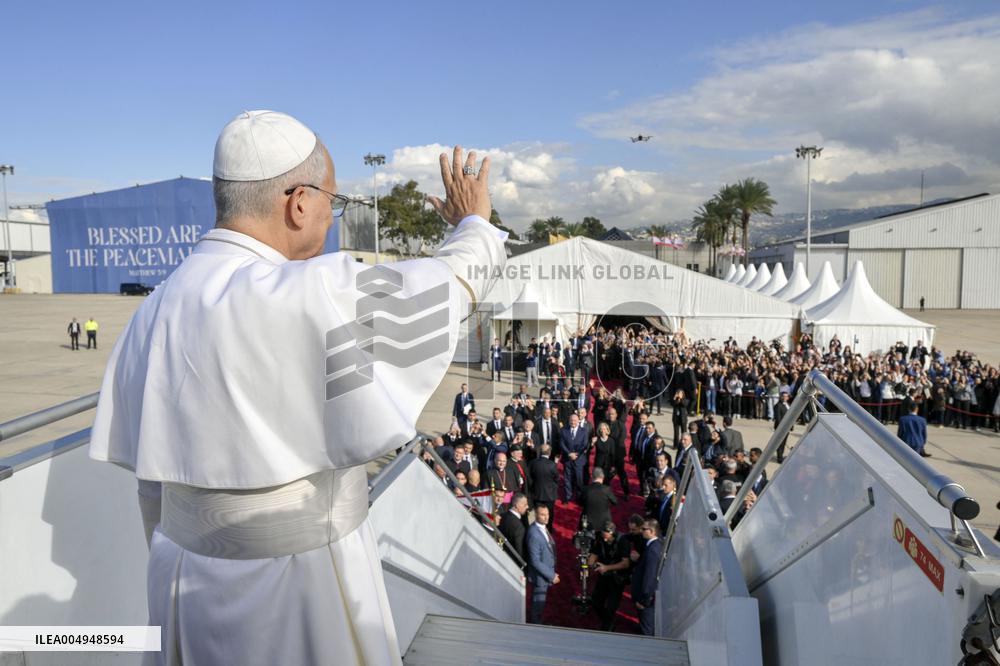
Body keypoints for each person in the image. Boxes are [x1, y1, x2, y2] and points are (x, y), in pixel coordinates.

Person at [88, 111, 507, 666]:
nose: (333, 216)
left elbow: (151, 486)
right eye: (335, 200)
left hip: (181, 583)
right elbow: (449, 286)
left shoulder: (154, 307)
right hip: (303, 587)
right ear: (299, 201)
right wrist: (474, 223)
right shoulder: (313, 292)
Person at [588, 519, 632, 631]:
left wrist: (606, 567)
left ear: (611, 532)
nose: (603, 537)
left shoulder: (623, 541)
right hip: (603, 576)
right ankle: (607, 621)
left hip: (617, 578)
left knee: (611, 607)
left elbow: (625, 563)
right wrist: (592, 564)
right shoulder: (600, 538)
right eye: (602, 534)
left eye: (605, 535)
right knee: (596, 601)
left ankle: (607, 627)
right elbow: (593, 554)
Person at [525, 504, 558, 623]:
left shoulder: (541, 527)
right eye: (543, 515)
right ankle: (535, 628)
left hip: (544, 574)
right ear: (536, 516)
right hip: (540, 577)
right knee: (537, 607)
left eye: (547, 514)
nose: (546, 517)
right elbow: (535, 561)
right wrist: (551, 575)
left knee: (539, 605)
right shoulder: (534, 534)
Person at [632, 519, 663, 636]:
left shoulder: (653, 550)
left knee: (647, 630)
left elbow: (650, 576)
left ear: (652, 531)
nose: (641, 531)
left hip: (646, 600)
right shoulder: (655, 545)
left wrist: (644, 600)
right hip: (647, 598)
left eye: (644, 529)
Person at [527, 444, 559, 526]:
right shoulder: (552, 465)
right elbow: (557, 479)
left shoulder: (533, 463)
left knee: (538, 513)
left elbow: (529, 477)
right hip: (550, 495)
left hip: (537, 494)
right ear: (550, 452)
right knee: (549, 514)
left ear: (540, 452)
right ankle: (549, 530)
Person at [560, 412, 588, 502]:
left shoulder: (584, 431)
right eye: (571, 420)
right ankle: (568, 496)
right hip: (567, 459)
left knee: (579, 479)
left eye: (575, 420)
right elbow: (562, 443)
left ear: (578, 421)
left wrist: (576, 454)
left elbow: (584, 445)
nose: (573, 422)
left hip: (579, 459)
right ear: (569, 421)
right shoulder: (564, 430)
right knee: (567, 479)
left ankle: (579, 497)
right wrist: (569, 453)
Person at [499, 493, 529, 564]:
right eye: (525, 505)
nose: (527, 507)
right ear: (517, 506)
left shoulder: (502, 515)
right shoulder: (519, 527)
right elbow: (519, 552)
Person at [774, 391, 792, 463]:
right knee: (779, 443)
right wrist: (782, 427)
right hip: (781, 428)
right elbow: (778, 418)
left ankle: (781, 456)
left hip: (787, 427)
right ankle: (779, 458)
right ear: (781, 397)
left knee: (784, 443)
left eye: (786, 396)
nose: (785, 397)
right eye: (783, 396)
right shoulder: (778, 405)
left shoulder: (788, 404)